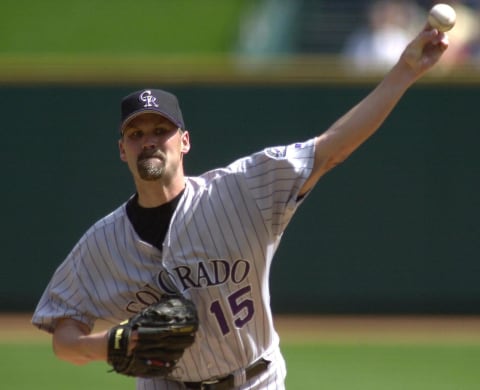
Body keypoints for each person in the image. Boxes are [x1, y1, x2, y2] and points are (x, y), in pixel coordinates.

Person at [32, 25, 449, 390]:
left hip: (255, 380)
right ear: (123, 150)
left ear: (185, 141)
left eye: (161, 130)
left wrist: (405, 71)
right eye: (136, 134)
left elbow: (331, 150)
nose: (150, 141)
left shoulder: (240, 190)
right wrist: (105, 346)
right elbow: (64, 333)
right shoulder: (104, 243)